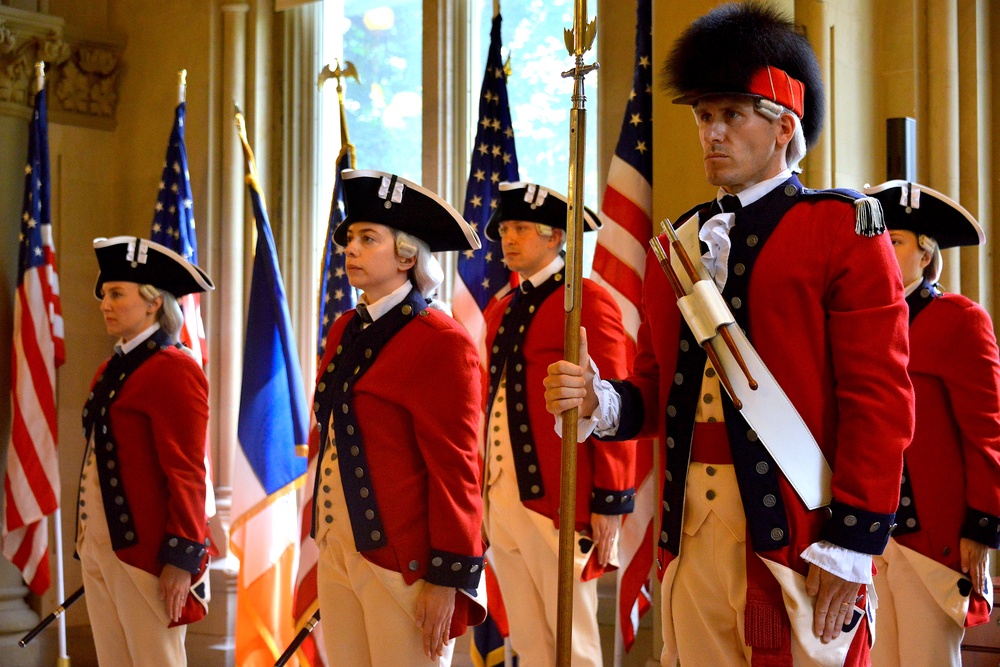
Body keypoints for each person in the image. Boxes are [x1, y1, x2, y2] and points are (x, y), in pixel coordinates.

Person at [544, 3, 914, 666]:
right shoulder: (680, 243)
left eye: (731, 115)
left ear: (783, 127)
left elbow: (878, 394)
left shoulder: (841, 229)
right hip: (691, 541)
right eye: (703, 116)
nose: (711, 133)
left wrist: (856, 536)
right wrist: (602, 402)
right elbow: (658, 390)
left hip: (799, 536)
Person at [311, 169, 486, 666]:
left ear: (408, 256)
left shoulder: (441, 340)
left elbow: (456, 470)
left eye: (369, 239)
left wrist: (448, 575)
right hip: (338, 549)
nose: (351, 249)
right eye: (349, 238)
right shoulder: (344, 329)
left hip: (406, 564)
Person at [481, 182, 635, 666]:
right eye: (505, 228)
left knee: (574, 644)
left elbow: (612, 401)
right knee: (527, 642)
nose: (509, 238)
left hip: (559, 497)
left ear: (555, 237)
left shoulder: (587, 299)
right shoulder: (500, 308)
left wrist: (612, 499)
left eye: (521, 228)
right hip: (502, 495)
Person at [863, 180, 1000, 667]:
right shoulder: (862, 322)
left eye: (894, 241)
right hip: (869, 532)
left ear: (926, 255)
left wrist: (982, 527)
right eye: (877, 240)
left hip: (934, 537)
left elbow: (987, 432)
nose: (882, 249)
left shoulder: (961, 319)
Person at [78, 236, 215, 666]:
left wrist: (181, 559)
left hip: (148, 554)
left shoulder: (175, 368)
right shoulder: (112, 367)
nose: (105, 304)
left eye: (117, 294)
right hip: (102, 547)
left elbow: (189, 473)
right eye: (105, 294)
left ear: (154, 303)